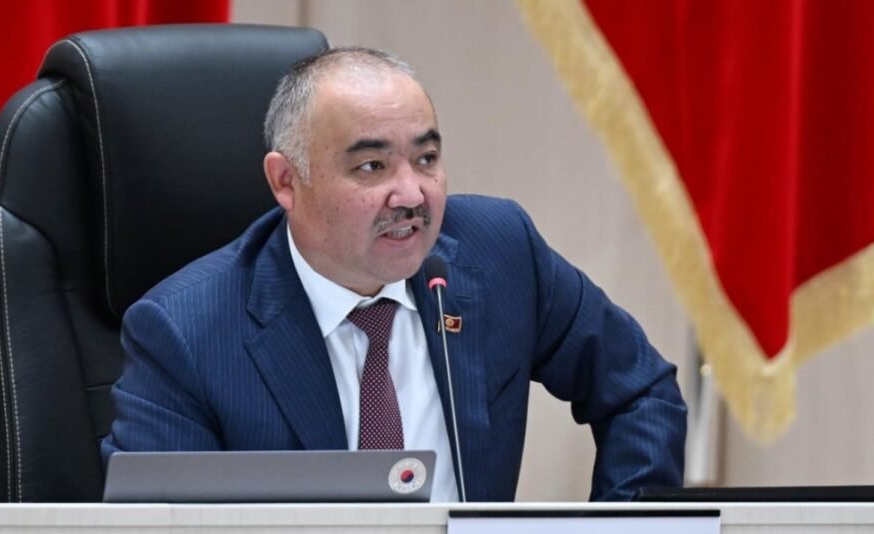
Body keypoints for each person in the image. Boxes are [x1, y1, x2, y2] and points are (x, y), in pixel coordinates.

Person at [101, 47, 686, 502]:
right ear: (286, 182)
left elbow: (640, 391)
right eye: (371, 166)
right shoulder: (184, 332)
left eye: (426, 159)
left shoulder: (500, 252)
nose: (411, 194)